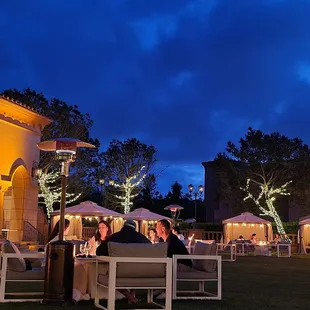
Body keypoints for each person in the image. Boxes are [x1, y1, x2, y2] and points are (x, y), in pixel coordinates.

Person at [96, 220, 150, 304]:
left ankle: (131, 297)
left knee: (112, 275)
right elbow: (151, 251)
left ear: (123, 227)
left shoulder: (114, 237)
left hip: (118, 272)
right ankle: (132, 297)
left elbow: (99, 251)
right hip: (139, 272)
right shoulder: (142, 238)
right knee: (134, 268)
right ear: (134, 228)